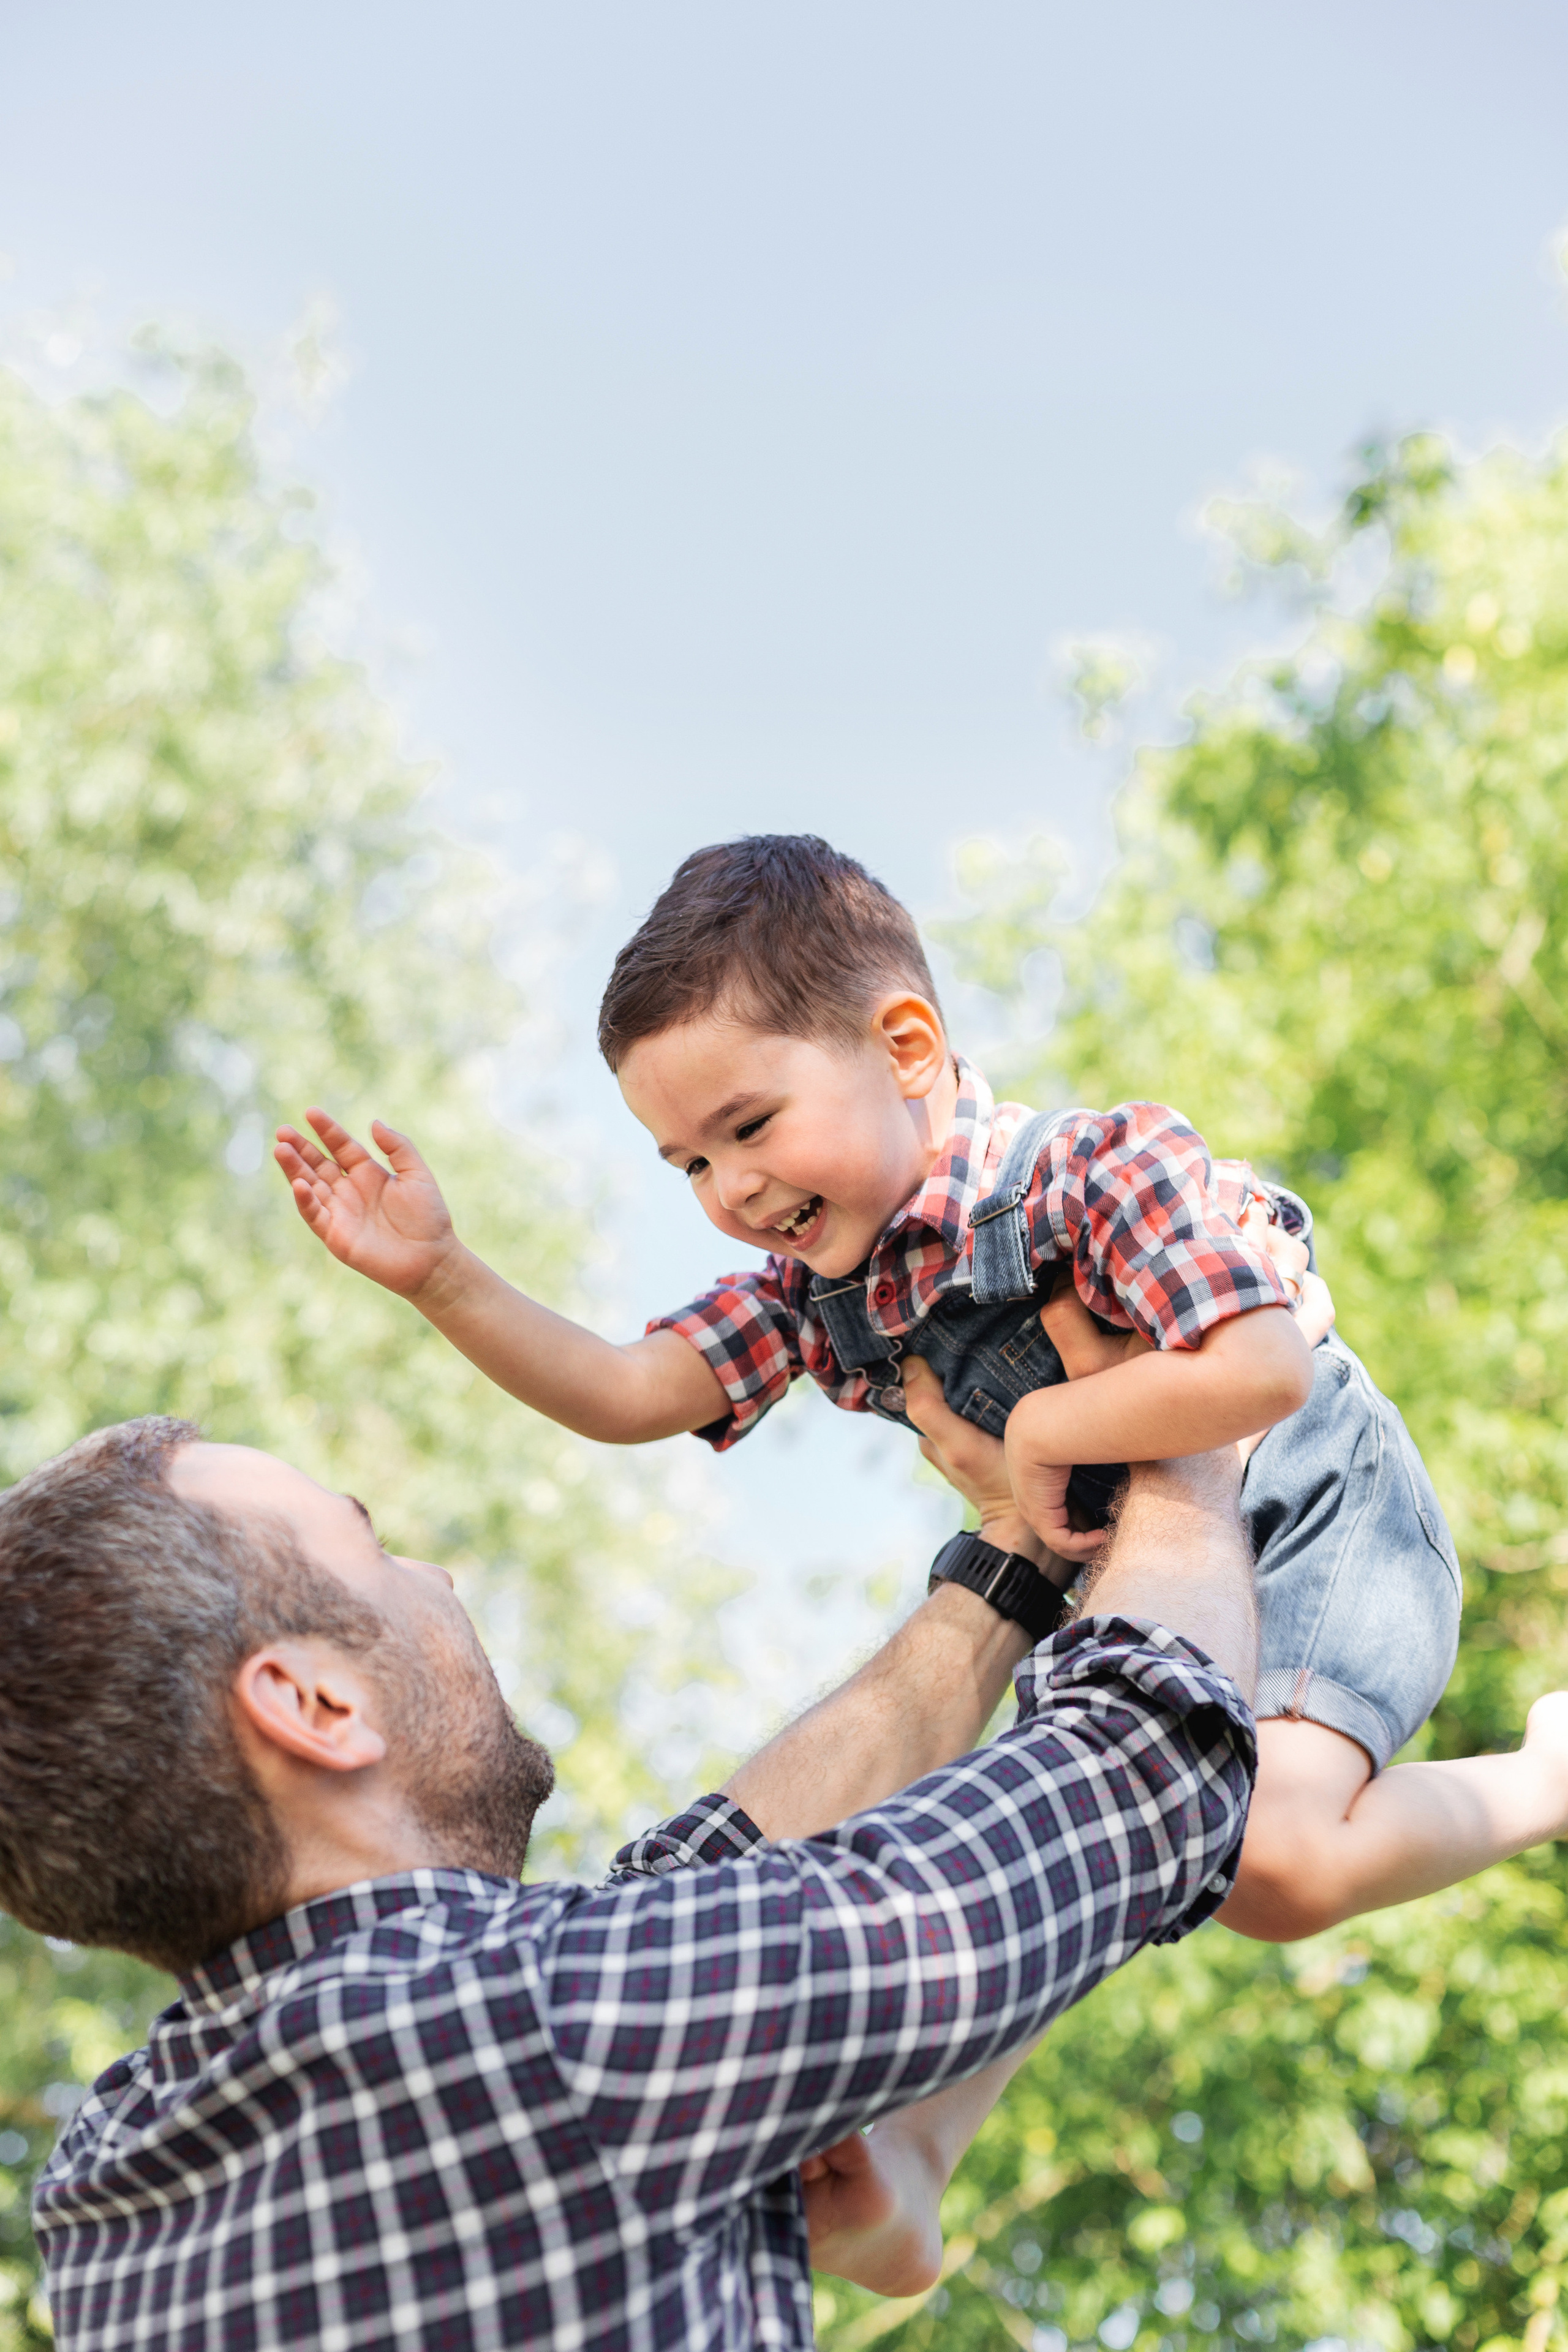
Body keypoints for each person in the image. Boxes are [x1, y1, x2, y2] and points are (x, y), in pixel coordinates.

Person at [276, 834, 1568, 1945]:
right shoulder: (814, 1294)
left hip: (1311, 1510)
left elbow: (1260, 1369)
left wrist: (1053, 1424)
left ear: (904, 1046)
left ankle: (1546, 1771)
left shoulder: (1088, 1175)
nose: (727, 1190)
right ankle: (908, 2162)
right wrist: (442, 1277)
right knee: (1071, 1853)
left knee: (1273, 1870)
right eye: (685, 1166)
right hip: (1150, 1588)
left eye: (749, 1126)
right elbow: (626, 1391)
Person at [5, 1384, 1256, 2350]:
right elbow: (1141, 1769)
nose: (437, 1579)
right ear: (315, 1706)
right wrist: (1184, 1433)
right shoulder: (528, 2035)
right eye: (370, 1547)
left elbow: (683, 1902)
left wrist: (1015, 1551)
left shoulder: (107, 2194)